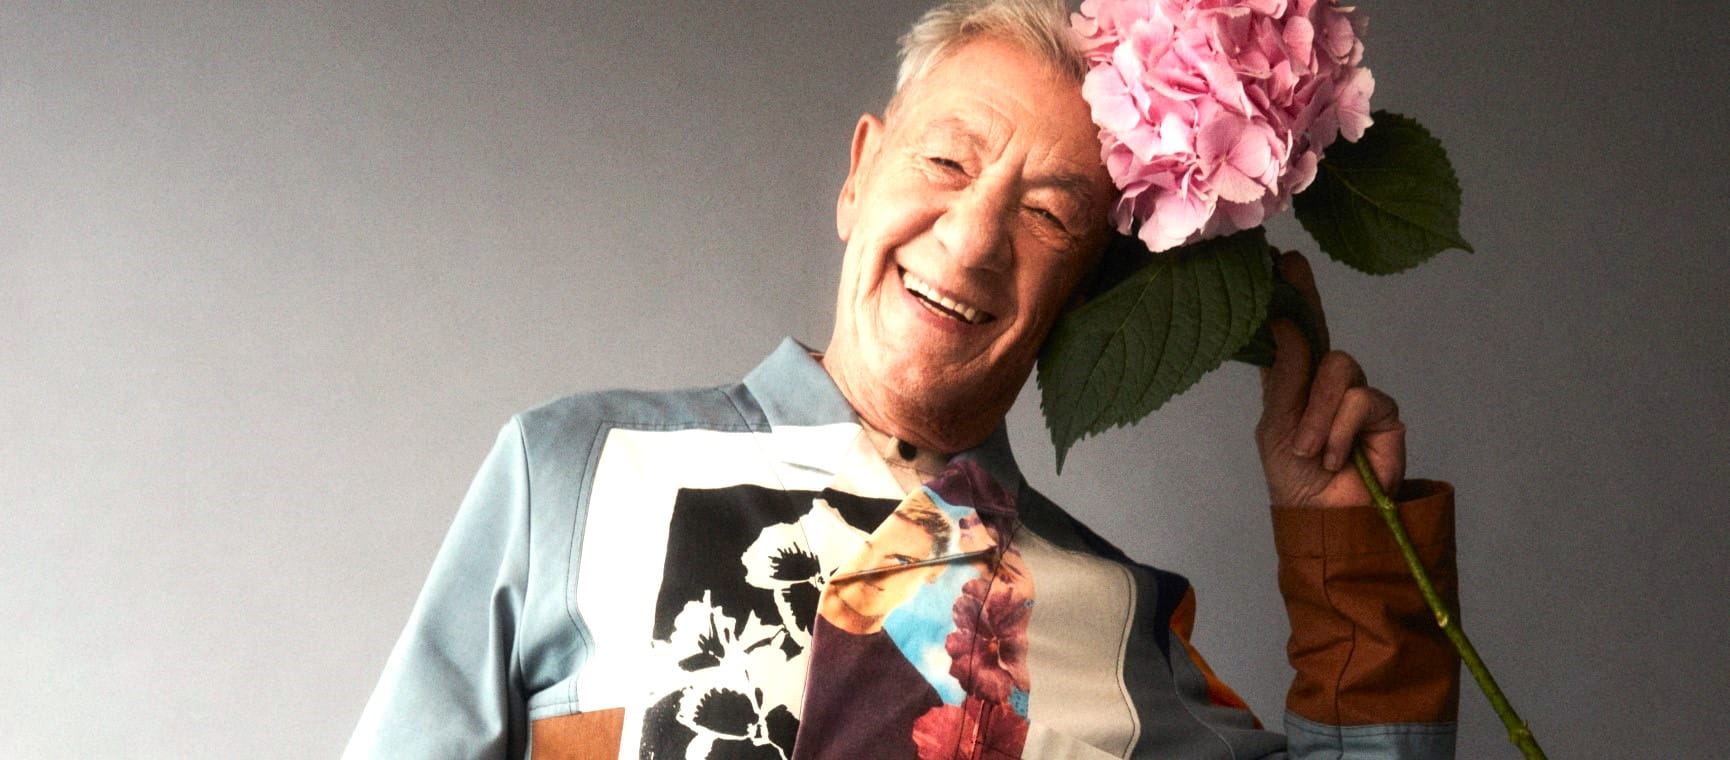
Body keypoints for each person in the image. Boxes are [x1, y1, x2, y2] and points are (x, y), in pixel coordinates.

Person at [345, 1, 1460, 758]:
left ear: (1086, 288)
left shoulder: (1118, 617)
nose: (970, 240)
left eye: (1044, 214)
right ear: (857, 172)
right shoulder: (575, 469)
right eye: (945, 161)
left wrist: (1349, 565)